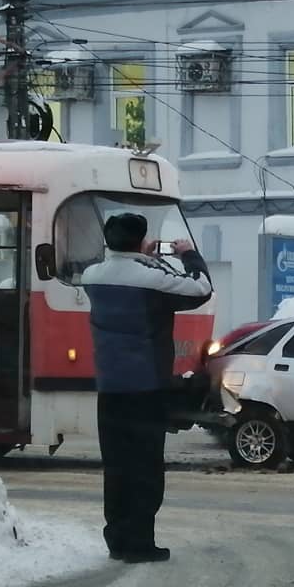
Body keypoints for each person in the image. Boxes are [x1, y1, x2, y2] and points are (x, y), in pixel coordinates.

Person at [81, 213, 213, 563]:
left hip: (109, 388)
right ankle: (140, 543)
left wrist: (143, 257)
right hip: (146, 387)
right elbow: (200, 288)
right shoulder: (150, 278)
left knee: (117, 466)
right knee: (145, 467)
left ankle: (118, 539)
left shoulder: (92, 276)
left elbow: (130, 273)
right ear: (140, 241)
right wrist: (187, 255)